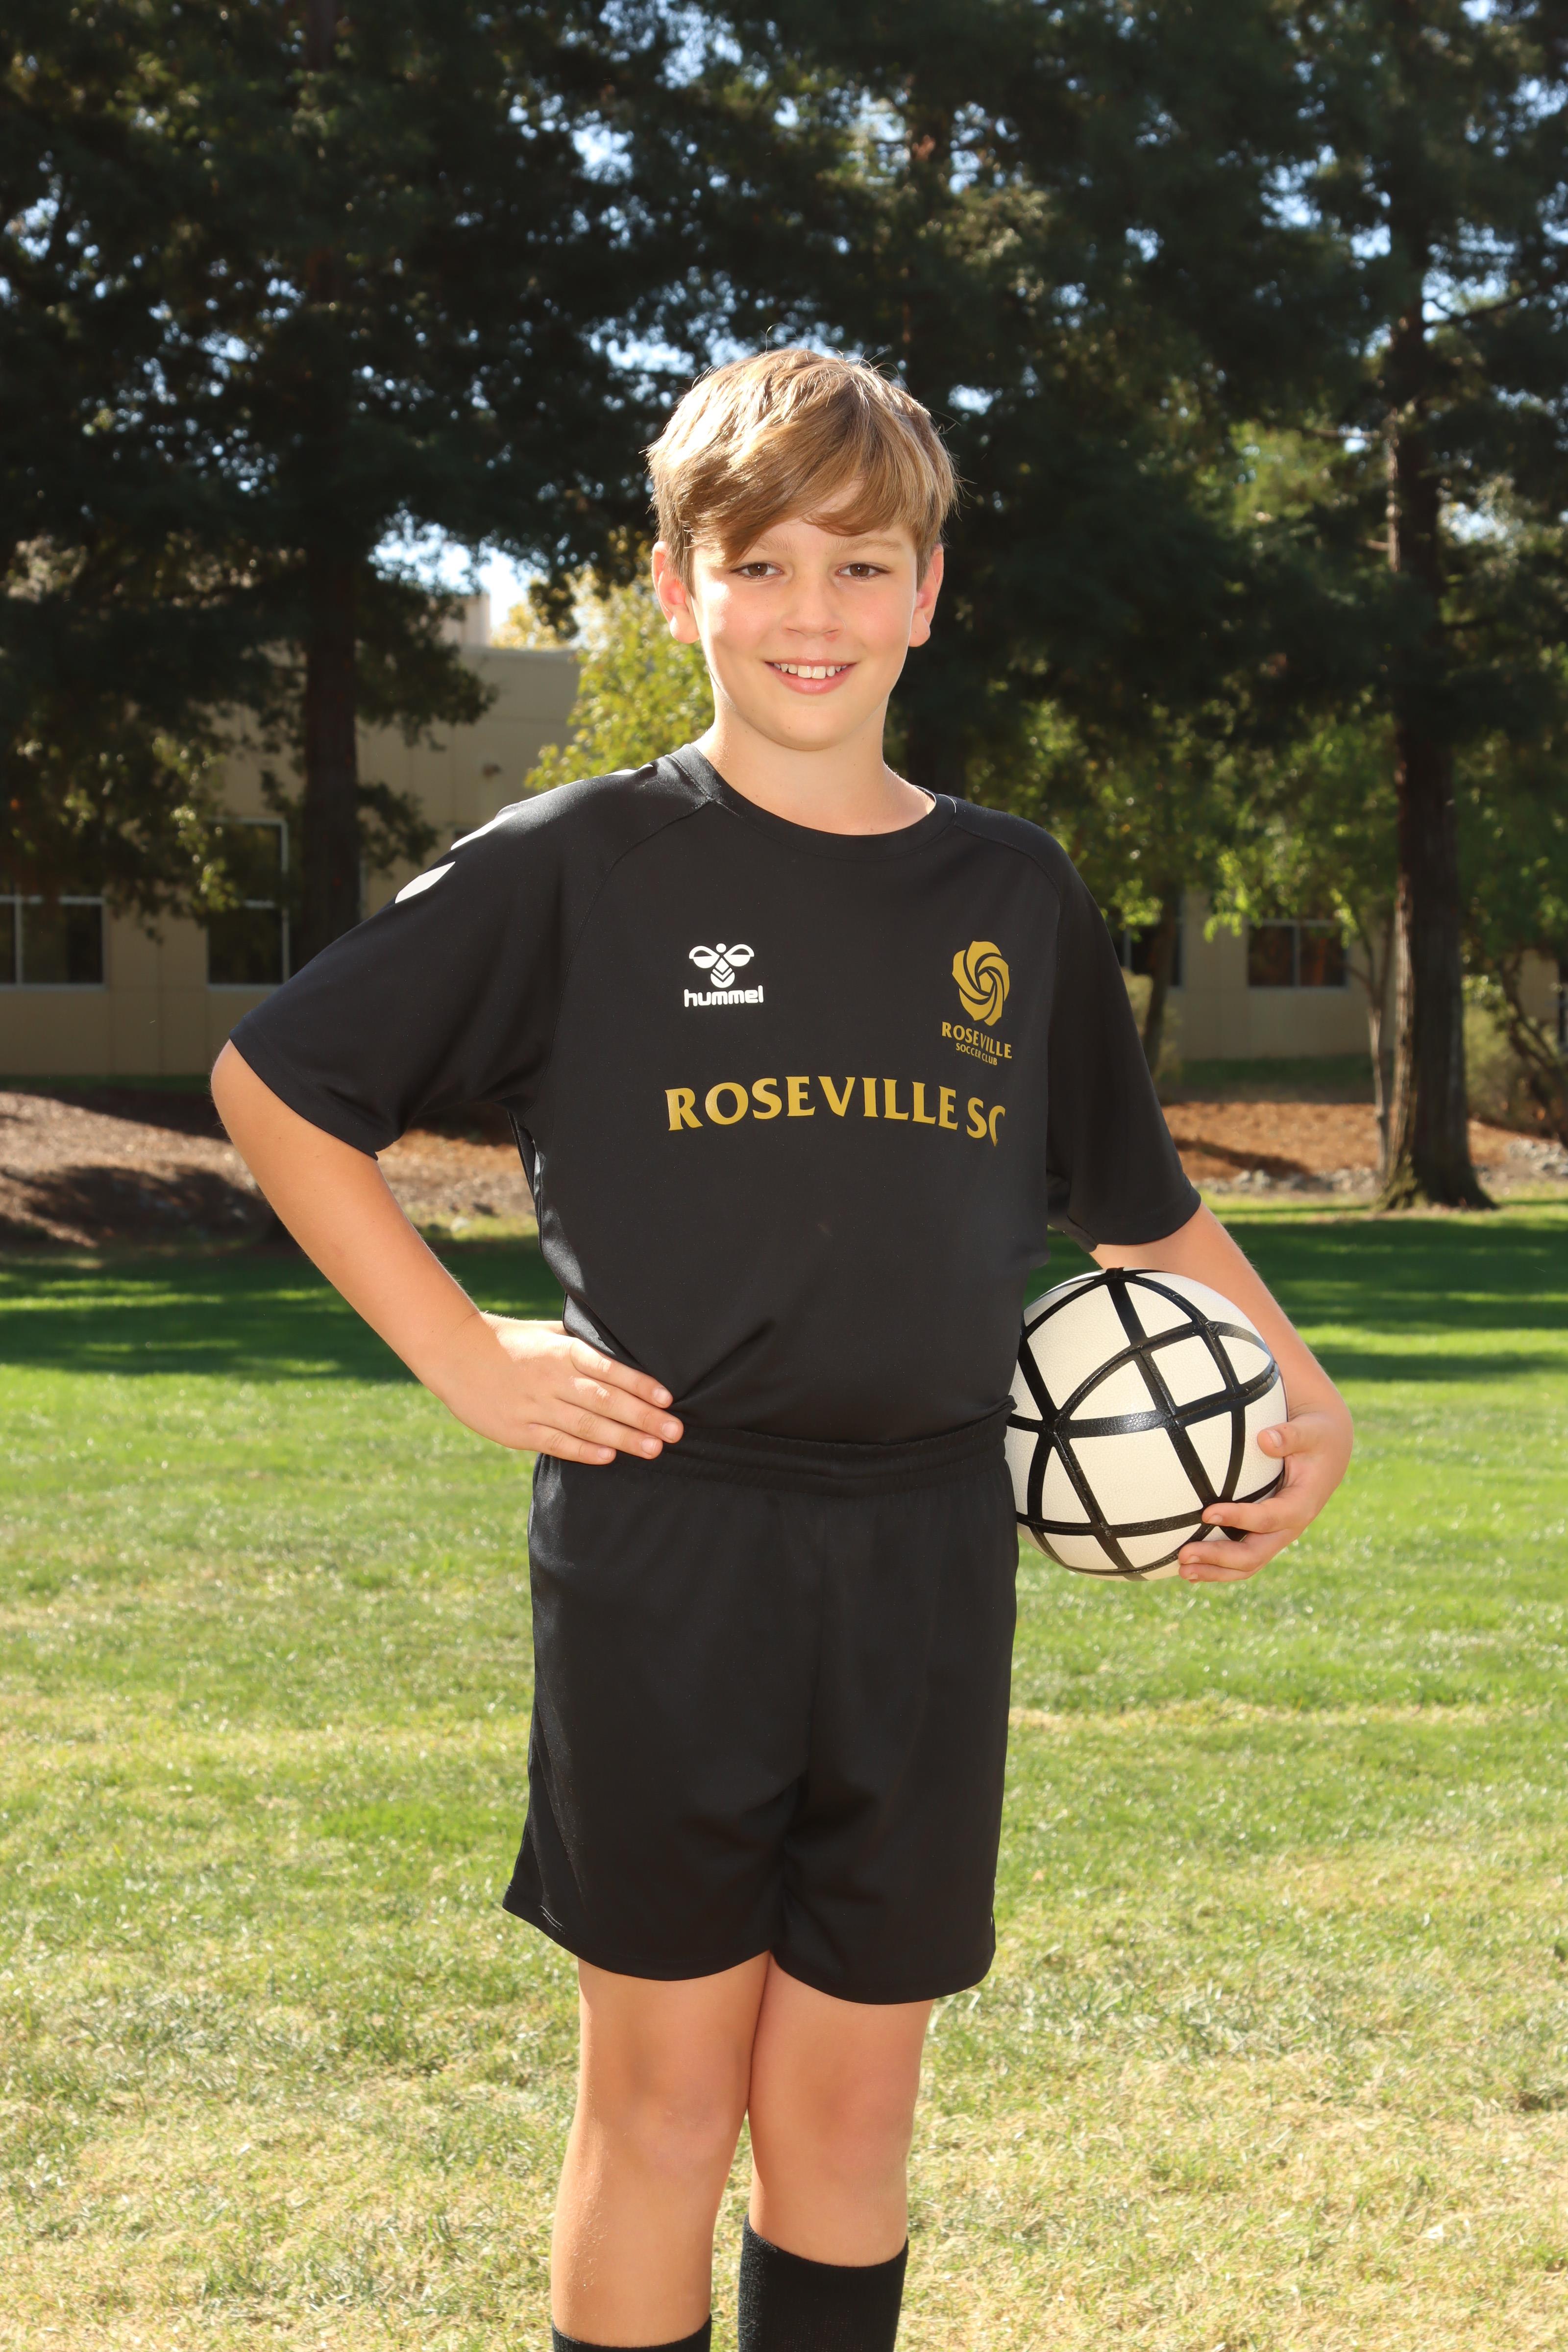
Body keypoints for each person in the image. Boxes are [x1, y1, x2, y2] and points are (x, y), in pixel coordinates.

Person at [211, 347, 1353, 2352]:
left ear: (928, 593)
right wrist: (463, 1353)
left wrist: (1297, 1383)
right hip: (673, 1543)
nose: (809, 610)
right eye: (760, 564)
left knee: (849, 2108)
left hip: (930, 1549)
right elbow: (279, 1082)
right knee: (662, 2107)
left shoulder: (1012, 890)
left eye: (861, 563)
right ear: (678, 589)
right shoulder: (584, 862)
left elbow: (1134, 1198)